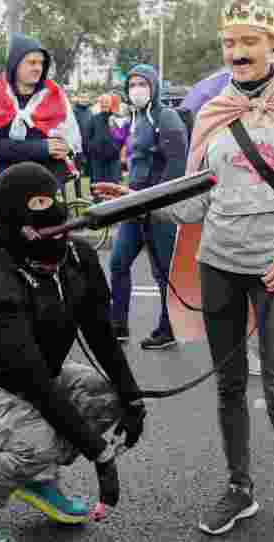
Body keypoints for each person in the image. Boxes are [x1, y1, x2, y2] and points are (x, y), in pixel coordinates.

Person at [99, 2, 274, 542]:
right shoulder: (213, 110)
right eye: (229, 43)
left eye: (249, 41)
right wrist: (130, 203)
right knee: (227, 388)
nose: (237, 53)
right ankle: (241, 489)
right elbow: (197, 200)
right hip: (219, 267)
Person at [0, 162, 146, 542]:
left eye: (55, 205)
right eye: (37, 210)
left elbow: (101, 336)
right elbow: (37, 383)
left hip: (32, 373)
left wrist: (133, 400)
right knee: (38, 436)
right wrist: (99, 453)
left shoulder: (77, 258)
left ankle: (38, 479)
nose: (55, 222)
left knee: (104, 397)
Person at [106, 64, 188, 350]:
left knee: (163, 273)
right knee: (117, 263)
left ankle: (167, 329)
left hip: (159, 211)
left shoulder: (167, 118)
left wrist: (155, 202)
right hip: (133, 206)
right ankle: (118, 324)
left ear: (154, 86)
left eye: (142, 83)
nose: (136, 89)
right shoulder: (138, 117)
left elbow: (178, 166)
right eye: (132, 84)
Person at [0, 33, 82, 189]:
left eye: (41, 63)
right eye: (32, 62)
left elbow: (69, 142)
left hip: (49, 184)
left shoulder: (54, 96)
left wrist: (67, 147)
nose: (38, 68)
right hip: (10, 185)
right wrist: (41, 148)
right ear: (15, 64)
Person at [86, 94, 123, 185]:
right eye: (102, 102)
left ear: (111, 103)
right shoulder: (94, 118)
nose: (104, 104)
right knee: (98, 184)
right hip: (97, 159)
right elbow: (88, 137)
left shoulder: (117, 118)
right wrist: (93, 148)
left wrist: (116, 149)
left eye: (106, 102)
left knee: (113, 184)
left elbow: (123, 137)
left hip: (113, 158)